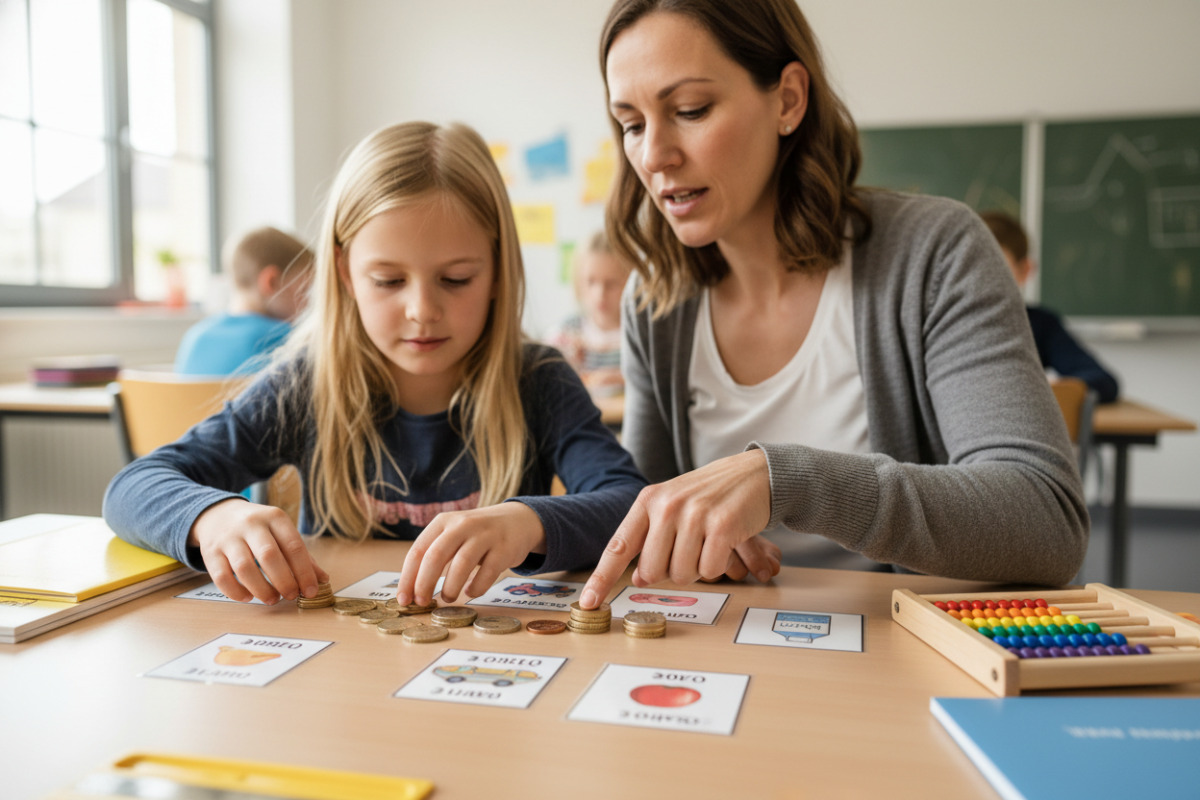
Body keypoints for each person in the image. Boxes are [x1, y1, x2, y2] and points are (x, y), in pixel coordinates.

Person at [579, 0, 1088, 610]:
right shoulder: (656, 300)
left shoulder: (935, 253)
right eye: (632, 124)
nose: (653, 156)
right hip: (726, 641)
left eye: (690, 110)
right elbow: (641, 510)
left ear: (789, 100)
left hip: (900, 644)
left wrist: (787, 482)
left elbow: (1045, 517)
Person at [104, 121, 646, 607]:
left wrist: (529, 522)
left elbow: (628, 504)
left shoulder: (538, 380)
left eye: (456, 278)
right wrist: (213, 517)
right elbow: (133, 486)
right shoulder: (307, 383)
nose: (422, 310)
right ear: (345, 272)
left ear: (498, 270)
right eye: (388, 280)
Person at [979, 210, 1120, 403]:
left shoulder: (1040, 324)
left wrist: (1044, 389)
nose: (981, 278)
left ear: (1025, 270)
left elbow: (1102, 380)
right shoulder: (940, 322)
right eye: (970, 267)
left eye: (996, 267)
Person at [174, 226, 314, 376]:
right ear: (271, 282)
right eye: (304, 290)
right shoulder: (288, 339)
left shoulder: (194, 338)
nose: (308, 302)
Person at [546, 230, 634, 398]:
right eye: (591, 282)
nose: (600, 294)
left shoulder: (640, 333)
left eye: (611, 283)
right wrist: (569, 362)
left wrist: (622, 379)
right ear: (578, 281)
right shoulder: (568, 331)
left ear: (630, 282)